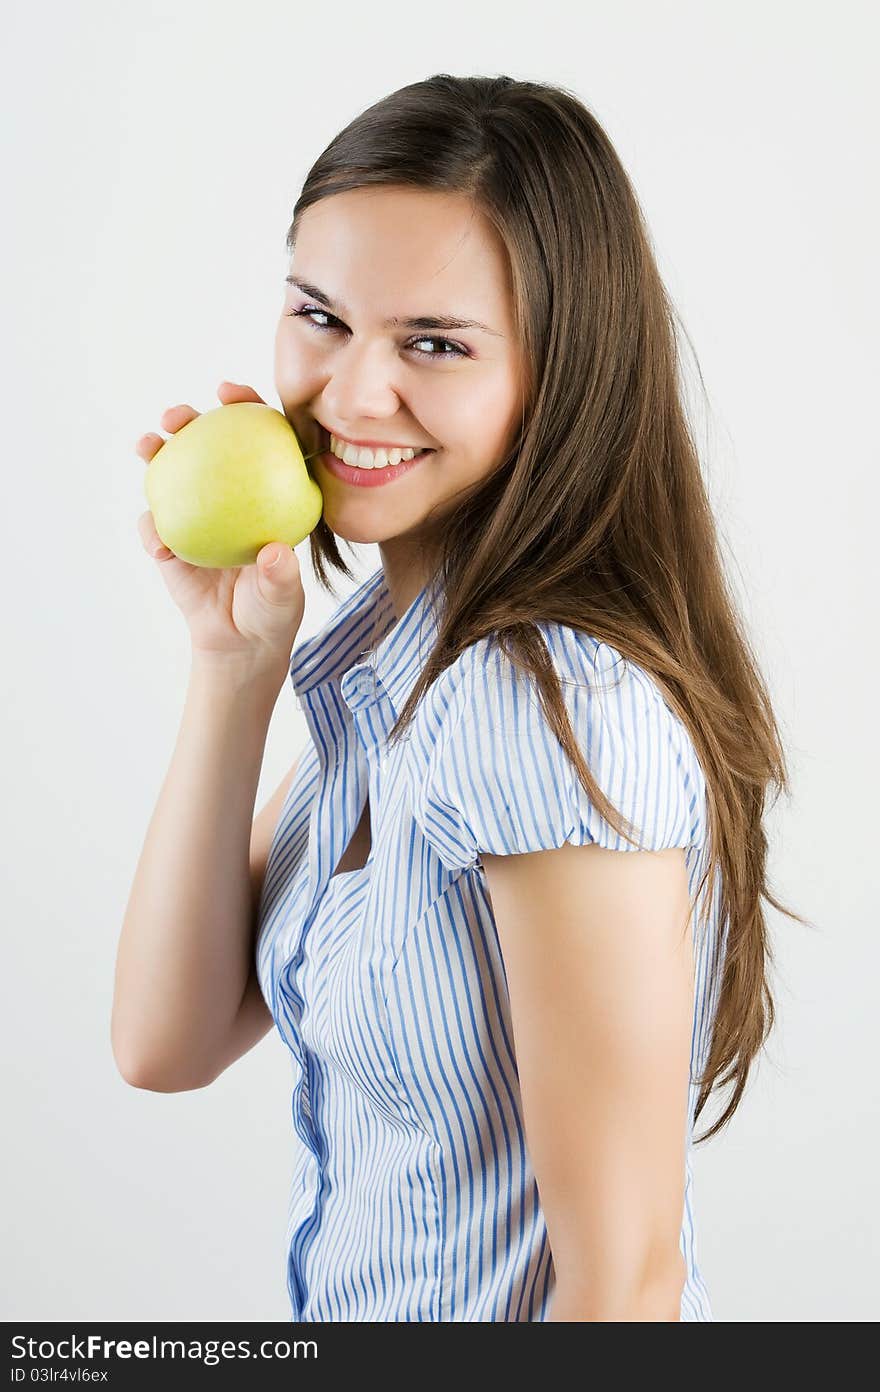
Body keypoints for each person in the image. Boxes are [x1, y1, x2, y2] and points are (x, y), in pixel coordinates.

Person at [114, 74, 805, 1322]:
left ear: (558, 373)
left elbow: (627, 1285)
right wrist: (233, 671)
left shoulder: (548, 709)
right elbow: (163, 1044)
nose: (350, 395)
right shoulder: (391, 667)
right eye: (320, 318)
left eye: (434, 343)